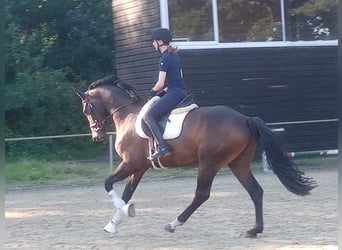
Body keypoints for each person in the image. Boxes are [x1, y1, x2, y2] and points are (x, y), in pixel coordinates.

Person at [143, 28, 187, 160]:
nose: (153, 44)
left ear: (160, 42)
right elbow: (179, 77)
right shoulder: (174, 56)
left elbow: (160, 83)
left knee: (149, 116)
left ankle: (162, 147)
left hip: (174, 92)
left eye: (154, 41)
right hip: (179, 91)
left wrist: (151, 92)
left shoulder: (164, 58)